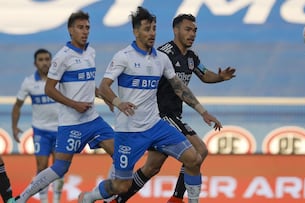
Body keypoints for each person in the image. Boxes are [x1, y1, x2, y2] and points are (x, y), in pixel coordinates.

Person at [78, 6, 222, 203]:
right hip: (129, 132)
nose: (152, 33)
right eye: (147, 29)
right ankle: (90, 196)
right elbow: (104, 87)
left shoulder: (161, 59)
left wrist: (203, 112)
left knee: (195, 158)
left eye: (154, 28)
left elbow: (179, 88)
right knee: (122, 185)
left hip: (156, 126)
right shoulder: (124, 57)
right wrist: (119, 103)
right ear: (136, 32)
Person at [112, 13, 236, 203]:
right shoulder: (163, 54)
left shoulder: (191, 57)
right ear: (175, 30)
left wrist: (220, 77)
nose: (192, 34)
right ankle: (177, 199)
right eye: (188, 29)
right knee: (199, 150)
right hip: (161, 115)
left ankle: (117, 200)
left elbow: (204, 74)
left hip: (173, 115)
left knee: (152, 168)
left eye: (195, 30)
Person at [14, 10, 115, 203]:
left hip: (93, 119)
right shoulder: (62, 57)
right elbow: (49, 89)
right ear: (70, 31)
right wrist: (74, 104)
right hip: (71, 123)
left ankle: (104, 196)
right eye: (80, 28)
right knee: (60, 167)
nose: (85, 31)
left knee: (121, 156)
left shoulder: (91, 52)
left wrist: (105, 97)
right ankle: (22, 198)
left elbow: (87, 84)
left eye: (87, 28)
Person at [11, 48, 64, 203]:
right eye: (41, 60)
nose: (44, 63)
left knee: (60, 167)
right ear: (35, 63)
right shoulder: (29, 82)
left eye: (47, 59)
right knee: (41, 167)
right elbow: (17, 106)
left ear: (51, 61)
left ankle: (56, 200)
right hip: (41, 130)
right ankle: (44, 201)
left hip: (61, 129)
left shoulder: (59, 80)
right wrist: (14, 127)